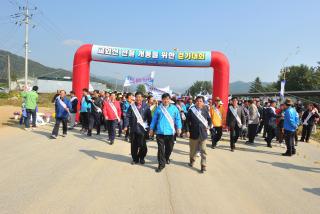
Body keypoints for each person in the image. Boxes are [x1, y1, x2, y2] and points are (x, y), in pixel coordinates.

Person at [149, 93, 182, 173]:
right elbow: (154, 120)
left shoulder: (174, 108)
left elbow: (178, 119)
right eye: (164, 99)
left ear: (169, 100)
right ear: (162, 100)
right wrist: (151, 129)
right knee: (161, 149)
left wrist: (179, 128)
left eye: (167, 99)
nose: (166, 100)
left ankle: (166, 158)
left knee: (169, 148)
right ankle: (161, 165)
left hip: (170, 133)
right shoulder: (158, 108)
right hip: (160, 132)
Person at [186, 96, 212, 173]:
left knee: (203, 150)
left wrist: (209, 126)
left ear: (203, 102)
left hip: (203, 134)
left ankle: (203, 166)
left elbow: (209, 120)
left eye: (200, 101)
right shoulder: (191, 110)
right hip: (193, 133)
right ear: (195, 102)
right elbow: (187, 122)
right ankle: (192, 161)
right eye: (197, 101)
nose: (199, 102)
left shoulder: (205, 110)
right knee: (193, 151)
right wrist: (187, 131)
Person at [126, 92, 152, 165]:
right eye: (137, 97)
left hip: (143, 130)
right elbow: (127, 116)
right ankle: (135, 159)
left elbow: (150, 118)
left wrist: (151, 129)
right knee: (134, 146)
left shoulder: (146, 107)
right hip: (134, 129)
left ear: (142, 98)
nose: (138, 98)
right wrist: (126, 125)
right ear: (135, 98)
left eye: (140, 97)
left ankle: (142, 157)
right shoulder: (132, 106)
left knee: (143, 146)